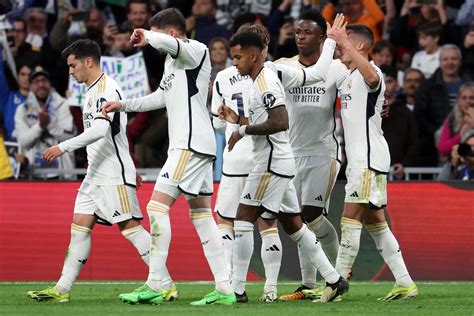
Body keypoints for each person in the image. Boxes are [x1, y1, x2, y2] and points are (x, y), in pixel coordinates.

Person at [102, 8, 235, 306]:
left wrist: (146, 35)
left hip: (189, 145)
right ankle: (225, 288)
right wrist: (122, 104)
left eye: (158, 34)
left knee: (156, 208)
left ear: (172, 33)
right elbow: (160, 97)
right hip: (192, 146)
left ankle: (157, 283)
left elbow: (169, 44)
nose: (154, 41)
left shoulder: (195, 50)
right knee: (202, 217)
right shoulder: (172, 62)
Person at [218, 14, 349, 303]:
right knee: (294, 225)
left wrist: (241, 129)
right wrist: (329, 45)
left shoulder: (265, 80)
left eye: (238, 57)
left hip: (271, 162)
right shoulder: (277, 71)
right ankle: (334, 279)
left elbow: (280, 121)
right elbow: (315, 74)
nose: (235, 63)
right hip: (284, 159)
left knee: (242, 220)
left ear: (253, 55)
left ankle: (236, 290)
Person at [26, 39, 158, 303]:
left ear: (88, 62)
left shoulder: (108, 88)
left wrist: (62, 147)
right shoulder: (90, 91)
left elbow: (100, 131)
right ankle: (61, 290)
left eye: (73, 66)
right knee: (79, 228)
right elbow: (116, 135)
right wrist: (129, 162)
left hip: (111, 174)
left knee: (130, 228)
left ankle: (163, 282)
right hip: (95, 174)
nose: (71, 71)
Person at [329, 24, 418, 300]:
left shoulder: (372, 70)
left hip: (367, 158)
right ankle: (405, 283)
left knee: (349, 219)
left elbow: (371, 76)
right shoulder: (347, 77)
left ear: (360, 47)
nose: (339, 50)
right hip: (363, 158)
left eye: (344, 44)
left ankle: (337, 283)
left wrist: (343, 39)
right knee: (376, 223)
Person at [267, 11, 348, 301]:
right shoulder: (282, 66)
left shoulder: (335, 68)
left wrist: (379, 105)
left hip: (322, 153)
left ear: (322, 38)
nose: (300, 37)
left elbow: (358, 92)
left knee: (311, 216)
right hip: (290, 153)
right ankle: (307, 284)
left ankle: (340, 270)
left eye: (308, 32)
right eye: (298, 32)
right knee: (297, 221)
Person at [210, 26, 283, 302]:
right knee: (268, 223)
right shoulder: (274, 71)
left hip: (236, 154)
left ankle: (229, 282)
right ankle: (271, 288)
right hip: (267, 156)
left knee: (227, 220)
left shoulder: (224, 76)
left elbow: (218, 121)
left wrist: (234, 127)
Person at [13, 67, 75, 179]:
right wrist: (40, 126)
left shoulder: (62, 105)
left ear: (50, 84)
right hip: (33, 174)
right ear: (30, 86)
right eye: (36, 81)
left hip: (62, 174)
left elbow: (70, 136)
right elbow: (23, 142)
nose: (41, 84)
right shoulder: (22, 110)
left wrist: (49, 124)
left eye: (44, 80)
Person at [415, 44, 466, 167]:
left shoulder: (470, 84)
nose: (450, 63)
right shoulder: (427, 86)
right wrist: (439, 133)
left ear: (460, 61)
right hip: (435, 148)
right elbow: (420, 115)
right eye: (445, 59)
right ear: (440, 62)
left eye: (454, 59)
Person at [380, 65, 419, 180]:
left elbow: (414, 143)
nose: (385, 86)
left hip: (398, 174)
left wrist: (404, 164)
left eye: (389, 81)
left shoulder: (406, 113)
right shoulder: (367, 111)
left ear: (397, 84)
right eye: (381, 81)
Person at [437, 83, 474, 159]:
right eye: (464, 98)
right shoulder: (452, 119)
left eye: (472, 98)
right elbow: (443, 149)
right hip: (457, 165)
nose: (468, 101)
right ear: (458, 101)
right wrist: (460, 135)